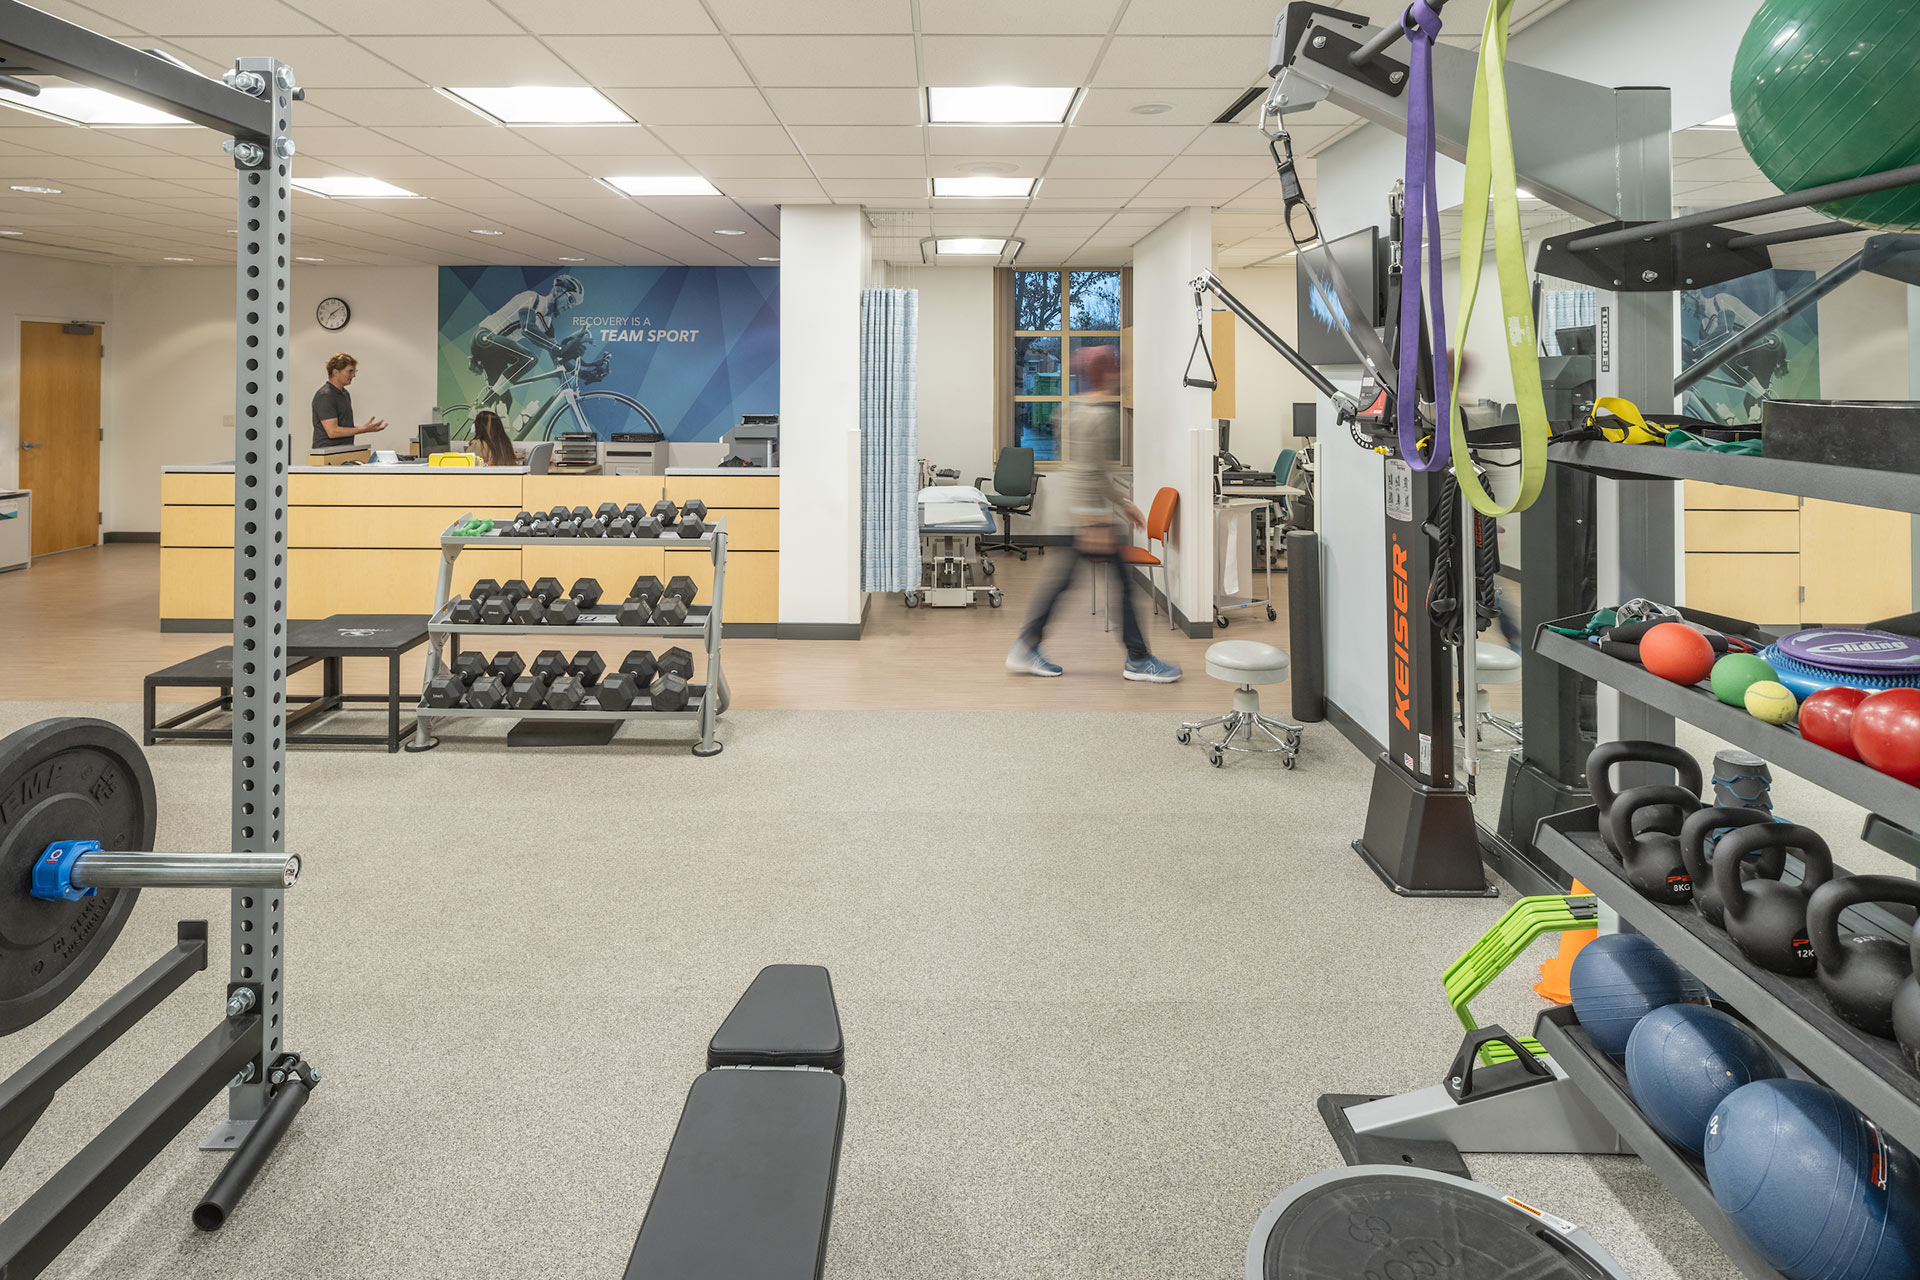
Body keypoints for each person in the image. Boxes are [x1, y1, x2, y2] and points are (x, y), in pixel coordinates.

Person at [1006, 344, 1182, 683]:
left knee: (1067, 584)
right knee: (1107, 587)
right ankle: (1138, 657)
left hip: (1086, 515)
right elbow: (1086, 471)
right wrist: (1093, 522)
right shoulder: (1098, 414)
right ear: (1105, 372)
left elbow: (1093, 470)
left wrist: (1121, 502)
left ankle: (1028, 646)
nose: (1120, 374)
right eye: (1115, 368)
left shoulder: (1078, 410)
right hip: (1090, 520)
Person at [311, 353, 387, 450]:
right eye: (350, 371)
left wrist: (365, 428)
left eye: (354, 371)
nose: (353, 375)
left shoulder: (344, 394)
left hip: (344, 450)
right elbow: (333, 432)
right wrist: (363, 429)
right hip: (326, 454)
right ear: (335, 372)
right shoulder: (325, 396)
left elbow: (343, 427)